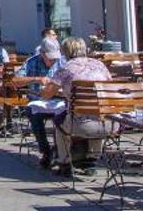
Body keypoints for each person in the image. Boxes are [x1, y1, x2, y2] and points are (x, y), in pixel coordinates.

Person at [45, 37, 111, 175]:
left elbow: (47, 94)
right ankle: (92, 159)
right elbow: (110, 89)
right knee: (96, 113)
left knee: (59, 122)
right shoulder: (100, 65)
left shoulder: (66, 68)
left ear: (65, 52)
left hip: (80, 124)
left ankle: (65, 161)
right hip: (108, 123)